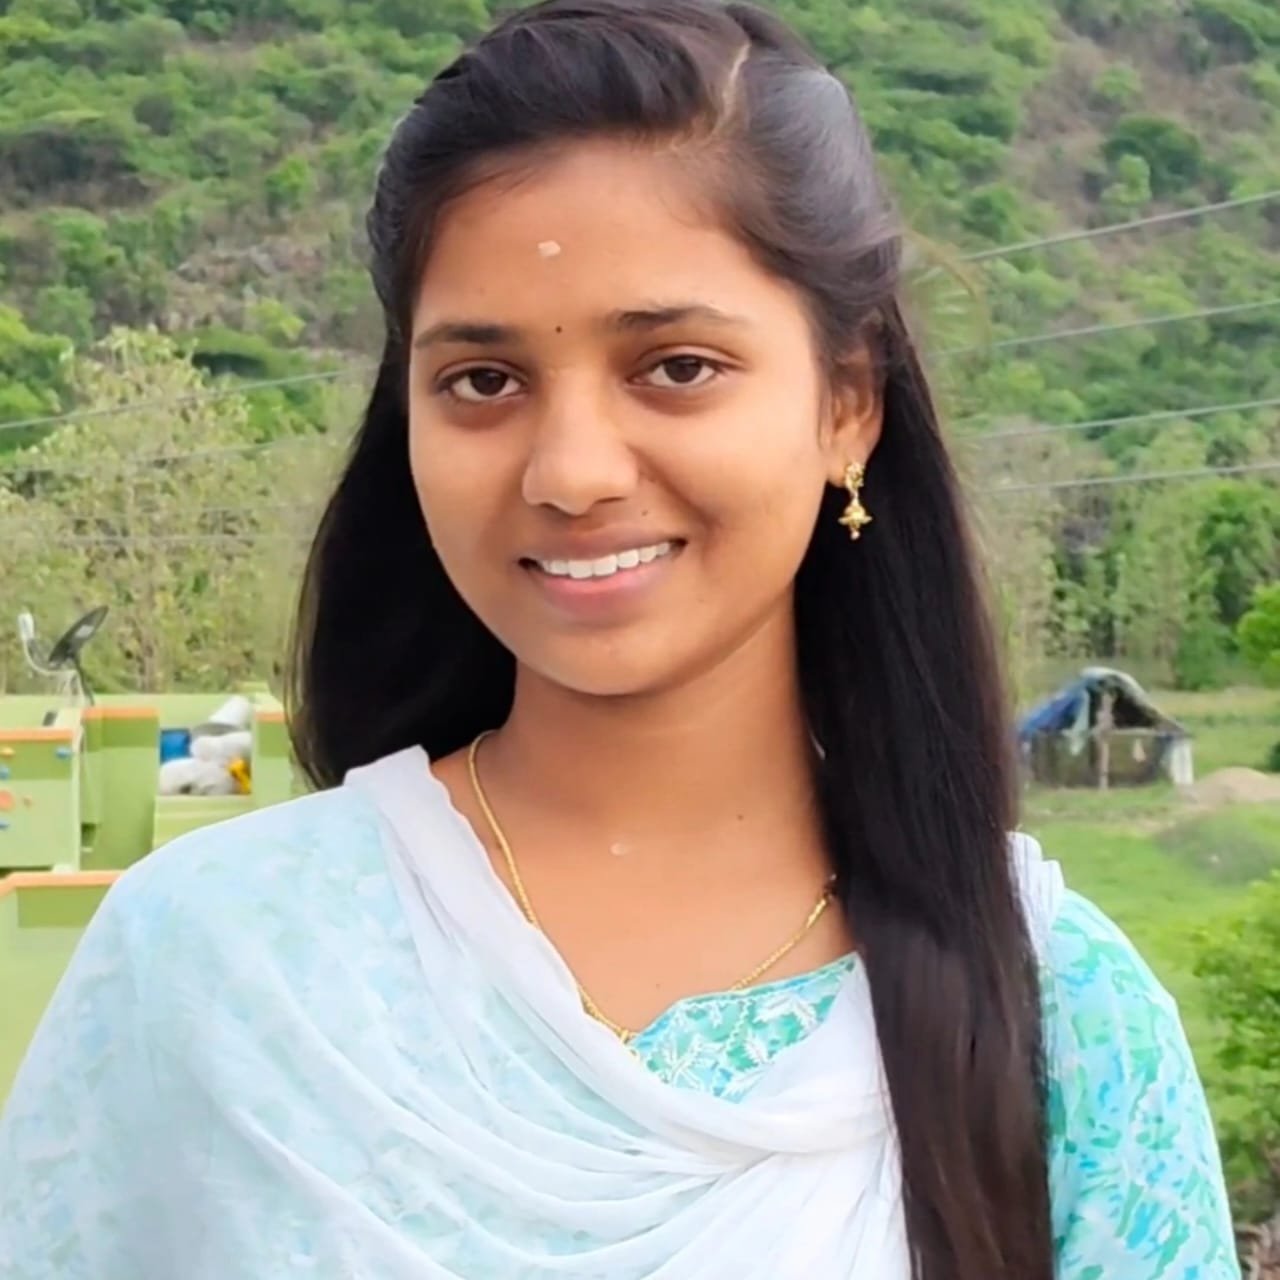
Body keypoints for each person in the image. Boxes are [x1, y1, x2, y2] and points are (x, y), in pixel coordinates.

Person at [0, 2, 1240, 1277]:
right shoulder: (213, 961)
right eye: (482, 381)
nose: (572, 471)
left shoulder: (1056, 1019)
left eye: (675, 366)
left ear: (847, 402)